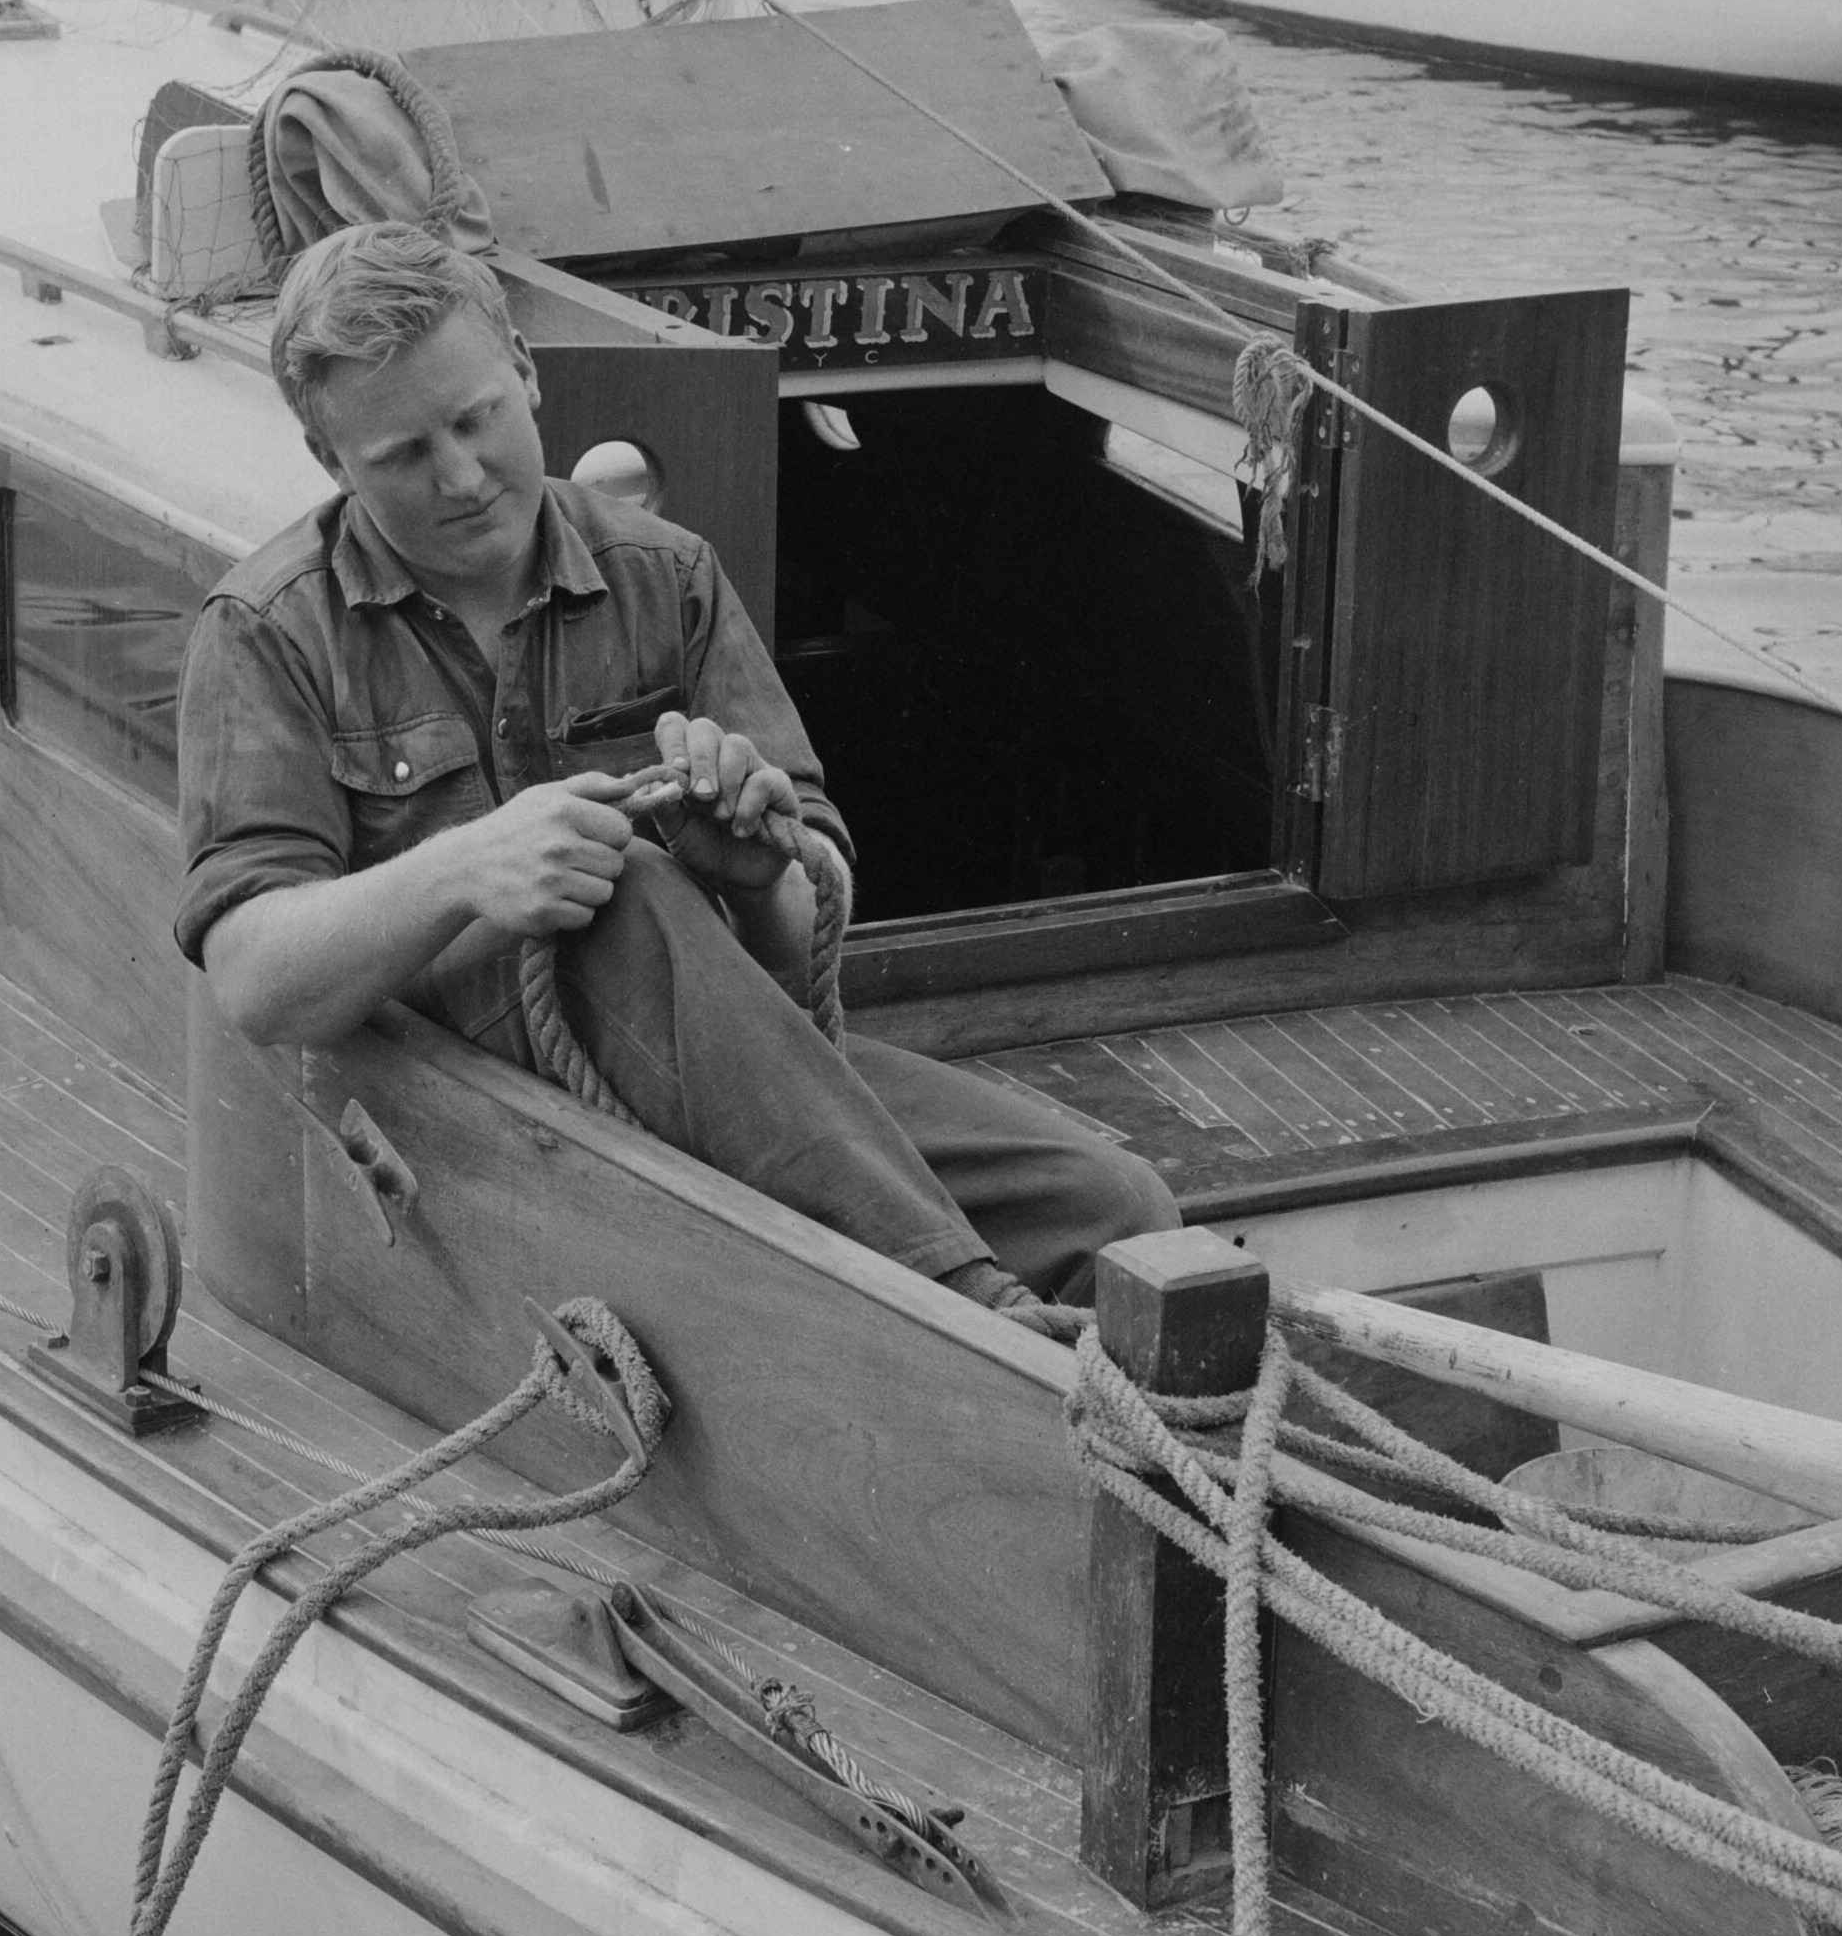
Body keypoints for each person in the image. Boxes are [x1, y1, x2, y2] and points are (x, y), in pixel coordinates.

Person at [172, 220, 1179, 1316]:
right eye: (405, 455)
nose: (461, 476)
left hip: (727, 1075)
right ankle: (975, 1309)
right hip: (464, 1118)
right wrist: (466, 869)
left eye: (476, 420)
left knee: (1114, 1206)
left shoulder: (669, 575)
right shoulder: (267, 632)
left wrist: (757, 868)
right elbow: (254, 976)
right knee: (632, 888)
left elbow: (804, 947)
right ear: (330, 459)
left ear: (525, 368)